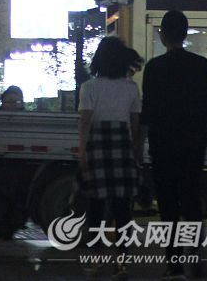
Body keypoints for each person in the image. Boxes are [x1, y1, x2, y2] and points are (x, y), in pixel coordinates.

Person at [140, 10, 207, 279]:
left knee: (168, 204)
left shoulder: (154, 68)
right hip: (193, 144)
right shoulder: (201, 65)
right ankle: (196, 258)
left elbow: (147, 112)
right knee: (191, 201)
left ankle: (174, 264)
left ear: (162, 35)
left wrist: (137, 146)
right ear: (185, 33)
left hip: (162, 145)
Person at [78, 36, 143, 279]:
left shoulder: (89, 87)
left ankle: (94, 259)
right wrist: (136, 154)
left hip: (97, 147)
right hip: (123, 147)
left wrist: (82, 153)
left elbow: (85, 123)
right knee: (122, 209)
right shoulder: (131, 88)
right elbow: (135, 126)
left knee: (96, 206)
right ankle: (122, 262)